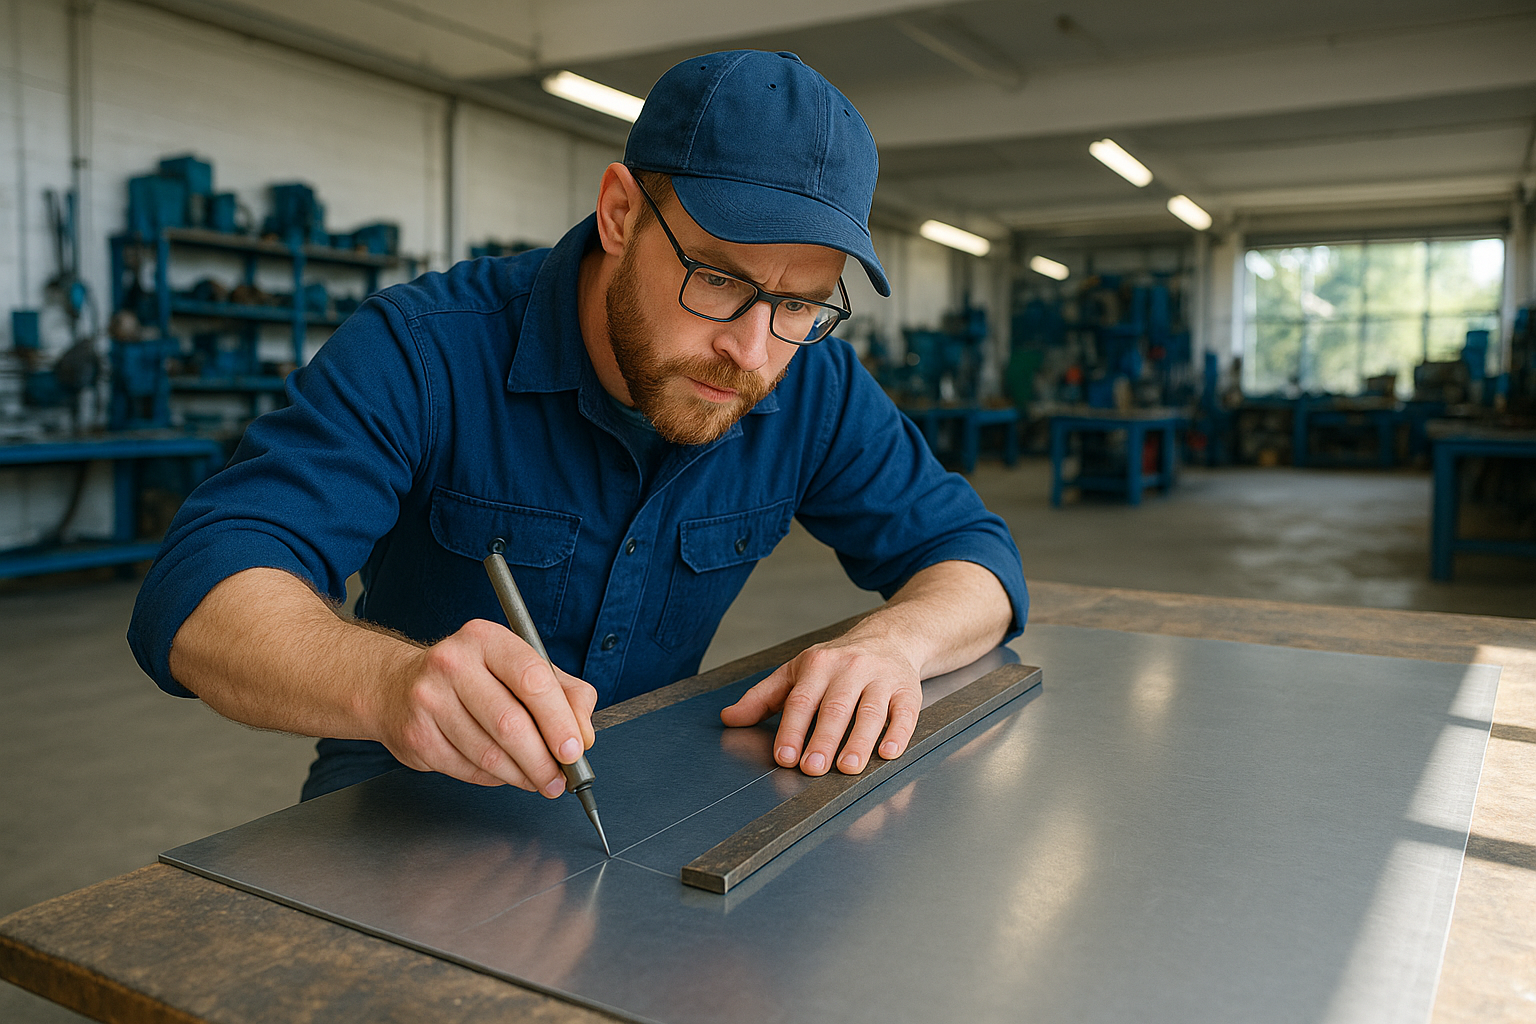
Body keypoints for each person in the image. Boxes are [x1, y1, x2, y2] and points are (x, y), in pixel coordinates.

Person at [128, 50, 1027, 803]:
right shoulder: (425, 350)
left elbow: (976, 559)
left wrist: (893, 644)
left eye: (799, 304)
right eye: (717, 280)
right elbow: (204, 593)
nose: (752, 353)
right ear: (621, 212)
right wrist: (388, 682)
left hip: (650, 797)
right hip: (404, 810)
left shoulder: (813, 378)